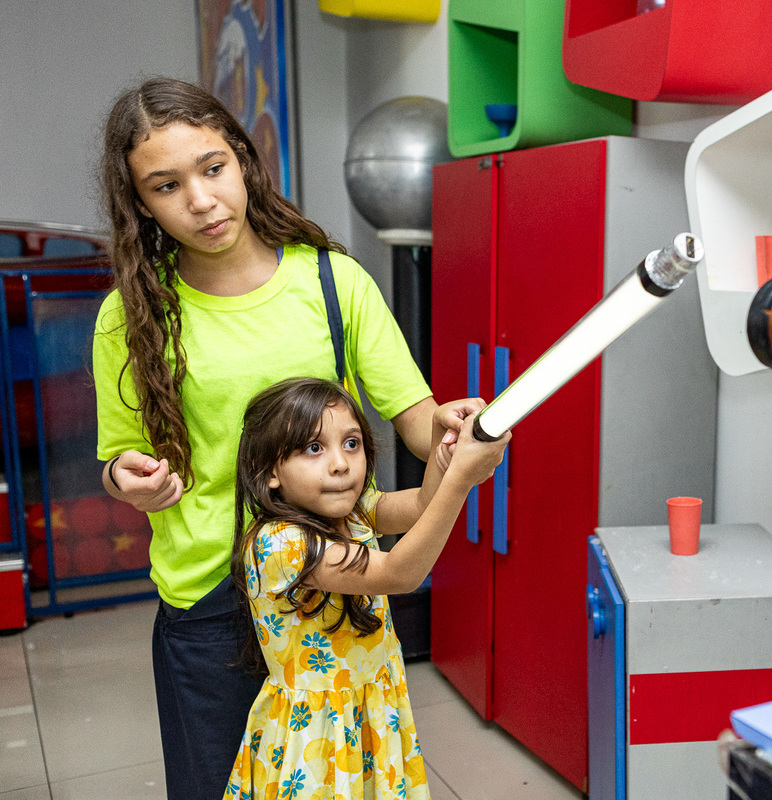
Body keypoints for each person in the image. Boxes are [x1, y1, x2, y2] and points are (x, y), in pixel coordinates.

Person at [92, 76, 468, 800]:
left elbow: (417, 419)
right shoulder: (130, 314)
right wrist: (129, 478)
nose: (201, 200)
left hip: (332, 575)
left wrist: (455, 433)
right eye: (167, 186)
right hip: (211, 605)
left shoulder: (333, 281)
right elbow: (117, 455)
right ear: (140, 202)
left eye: (212, 168)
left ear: (242, 158)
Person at [225, 377, 508, 799]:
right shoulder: (281, 544)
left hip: (371, 708)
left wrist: (441, 441)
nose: (340, 464)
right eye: (313, 448)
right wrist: (460, 480)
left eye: (351, 443)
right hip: (318, 736)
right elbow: (398, 573)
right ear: (268, 472)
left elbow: (421, 506)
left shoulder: (355, 511)